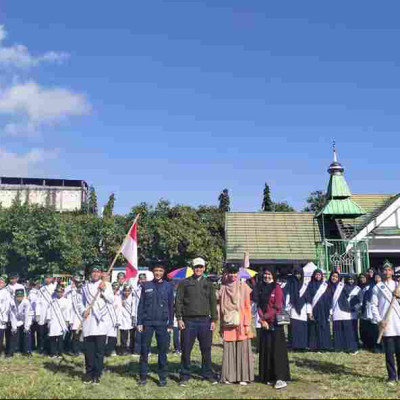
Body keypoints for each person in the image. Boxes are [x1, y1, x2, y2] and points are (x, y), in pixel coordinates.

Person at [175, 257, 218, 386]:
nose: (198, 269)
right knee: (186, 349)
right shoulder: (184, 283)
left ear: (204, 268)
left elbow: (213, 303)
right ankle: (184, 374)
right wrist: (179, 318)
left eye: (201, 267)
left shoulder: (209, 284)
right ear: (192, 268)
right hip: (188, 321)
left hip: (205, 321)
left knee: (206, 349)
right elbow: (178, 301)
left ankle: (207, 373)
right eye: (196, 267)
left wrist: (214, 320)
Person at [137, 264, 174, 386]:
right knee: (144, 350)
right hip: (147, 323)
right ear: (153, 272)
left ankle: (162, 377)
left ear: (164, 272)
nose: (158, 272)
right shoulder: (146, 285)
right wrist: (139, 322)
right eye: (156, 270)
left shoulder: (168, 286)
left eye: (160, 270)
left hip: (162, 323)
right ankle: (143, 377)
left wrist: (170, 324)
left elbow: (170, 306)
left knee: (162, 351)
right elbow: (141, 304)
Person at [255, 265, 290, 390]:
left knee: (277, 351)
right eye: (265, 274)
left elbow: (277, 307)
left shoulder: (277, 288)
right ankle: (268, 376)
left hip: (274, 324)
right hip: (264, 324)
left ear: (274, 276)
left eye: (269, 274)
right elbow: (258, 305)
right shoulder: (260, 288)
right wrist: (262, 319)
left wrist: (265, 318)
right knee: (267, 350)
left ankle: (280, 378)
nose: (267, 276)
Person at [219, 264, 254, 385]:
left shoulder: (243, 286)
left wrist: (247, 323)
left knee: (242, 348)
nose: (233, 275)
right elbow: (220, 307)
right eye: (231, 272)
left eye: (235, 273)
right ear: (227, 273)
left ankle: (243, 377)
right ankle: (229, 376)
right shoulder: (223, 287)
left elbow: (247, 306)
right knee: (229, 348)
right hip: (228, 322)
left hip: (242, 322)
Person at [81, 266, 114, 385]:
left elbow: (111, 300)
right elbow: (82, 302)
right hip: (89, 321)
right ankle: (89, 373)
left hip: (101, 322)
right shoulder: (85, 287)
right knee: (89, 350)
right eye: (93, 272)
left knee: (99, 351)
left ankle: (97, 374)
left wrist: (104, 290)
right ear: (91, 274)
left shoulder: (107, 285)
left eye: (98, 272)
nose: (95, 274)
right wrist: (83, 310)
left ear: (101, 273)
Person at [371, 261, 400, 385]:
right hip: (386, 324)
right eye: (385, 270)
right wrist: (379, 320)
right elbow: (373, 305)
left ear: (392, 272)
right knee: (389, 353)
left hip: (398, 322)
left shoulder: (398, 285)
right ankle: (392, 377)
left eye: (389, 270)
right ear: (382, 272)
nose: (387, 272)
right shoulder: (378, 287)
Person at [328, 271, 358, 354]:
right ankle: (338, 348)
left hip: (344, 311)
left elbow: (351, 296)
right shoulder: (327, 286)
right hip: (335, 311)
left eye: (336, 277)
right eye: (333, 276)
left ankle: (351, 348)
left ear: (339, 278)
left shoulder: (343, 286)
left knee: (348, 331)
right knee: (338, 330)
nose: (334, 278)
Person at [306, 269, 331, 352]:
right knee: (314, 328)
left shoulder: (325, 285)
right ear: (314, 275)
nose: (318, 276)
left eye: (319, 275)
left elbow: (329, 298)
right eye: (316, 274)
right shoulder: (310, 285)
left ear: (321, 276)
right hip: (315, 310)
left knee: (324, 327)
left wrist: (330, 311)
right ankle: (315, 346)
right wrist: (309, 312)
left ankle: (325, 346)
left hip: (324, 310)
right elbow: (308, 299)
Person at [285, 266, 309, 351]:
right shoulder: (290, 282)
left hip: (303, 309)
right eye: (296, 274)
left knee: (302, 327)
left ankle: (302, 345)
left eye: (299, 274)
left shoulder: (305, 284)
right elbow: (287, 294)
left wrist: (308, 310)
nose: (297, 275)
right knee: (294, 327)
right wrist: (287, 307)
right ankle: (294, 345)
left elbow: (308, 297)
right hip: (293, 307)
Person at [46, 285, 71, 358]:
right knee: (53, 338)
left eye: (61, 292)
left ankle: (60, 353)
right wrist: (48, 320)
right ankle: (53, 353)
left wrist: (67, 321)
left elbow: (68, 311)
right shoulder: (52, 301)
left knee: (60, 338)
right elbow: (49, 311)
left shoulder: (66, 301)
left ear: (63, 292)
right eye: (58, 292)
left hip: (62, 322)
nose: (59, 293)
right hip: (53, 321)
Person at [8, 289, 32, 357]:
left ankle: (27, 351)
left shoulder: (26, 302)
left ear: (23, 296)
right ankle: (11, 351)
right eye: (18, 296)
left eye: (21, 296)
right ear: (15, 296)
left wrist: (27, 327)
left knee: (27, 333)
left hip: (26, 319)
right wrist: (14, 327)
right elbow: (12, 315)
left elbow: (27, 315)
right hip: (16, 319)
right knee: (13, 333)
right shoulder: (12, 302)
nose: (19, 298)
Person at [37, 273, 56, 355]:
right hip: (42, 313)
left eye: (49, 278)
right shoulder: (41, 289)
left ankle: (49, 349)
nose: (47, 279)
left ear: (52, 279)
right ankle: (42, 348)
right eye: (46, 278)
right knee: (42, 332)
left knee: (50, 332)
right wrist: (37, 314)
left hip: (51, 313)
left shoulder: (55, 287)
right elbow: (38, 302)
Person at [65, 276, 84, 356]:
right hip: (72, 315)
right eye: (75, 281)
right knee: (72, 334)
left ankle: (74, 349)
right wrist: (70, 289)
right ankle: (71, 349)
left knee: (78, 333)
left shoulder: (82, 289)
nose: (76, 283)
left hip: (80, 315)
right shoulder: (69, 289)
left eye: (78, 281)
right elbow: (64, 296)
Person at [119, 285, 136, 355]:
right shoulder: (120, 297)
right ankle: (124, 349)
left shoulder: (133, 298)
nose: (126, 292)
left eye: (128, 291)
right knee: (123, 335)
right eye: (125, 291)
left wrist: (133, 316)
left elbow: (133, 307)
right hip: (123, 319)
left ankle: (132, 348)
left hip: (130, 318)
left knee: (132, 335)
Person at [105, 282, 121, 357]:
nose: (115, 290)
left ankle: (110, 351)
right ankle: (102, 350)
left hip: (114, 319)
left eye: (116, 289)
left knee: (113, 336)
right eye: (114, 288)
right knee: (104, 336)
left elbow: (119, 309)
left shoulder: (118, 297)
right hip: (106, 319)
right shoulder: (107, 296)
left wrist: (118, 320)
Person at [28, 278, 42, 352]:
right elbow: (34, 305)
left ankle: (39, 347)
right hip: (33, 316)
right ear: (36, 284)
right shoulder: (32, 293)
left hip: (39, 315)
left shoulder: (40, 292)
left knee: (39, 333)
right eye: (39, 283)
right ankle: (33, 347)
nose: (40, 285)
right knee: (33, 333)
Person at [0, 275, 11, 356]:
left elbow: (7, 306)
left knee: (1, 335)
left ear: (5, 284)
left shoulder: (6, 292)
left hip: (2, 317)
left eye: (2, 282)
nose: (0, 283)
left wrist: (4, 317)